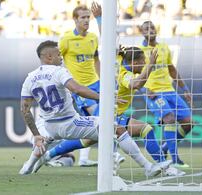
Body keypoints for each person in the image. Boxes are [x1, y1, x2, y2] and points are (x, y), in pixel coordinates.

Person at [18, 40, 170, 176]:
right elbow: (76, 89)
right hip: (70, 123)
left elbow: (24, 109)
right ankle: (147, 166)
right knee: (115, 129)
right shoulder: (59, 72)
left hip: (49, 125)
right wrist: (104, 97)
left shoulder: (29, 78)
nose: (61, 57)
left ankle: (27, 167)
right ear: (49, 57)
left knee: (43, 140)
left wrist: (36, 134)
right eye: (58, 54)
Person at [116, 46, 185, 176]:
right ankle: (163, 167)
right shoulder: (124, 74)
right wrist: (151, 64)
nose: (144, 65)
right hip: (110, 115)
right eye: (143, 62)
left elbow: (119, 54)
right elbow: (136, 84)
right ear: (135, 63)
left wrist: (117, 51)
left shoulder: (120, 59)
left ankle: (162, 166)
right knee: (145, 129)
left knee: (84, 140)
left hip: (114, 113)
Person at [139, 21, 193, 168]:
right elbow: (133, 73)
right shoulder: (140, 51)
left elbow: (172, 70)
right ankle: (175, 160)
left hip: (169, 90)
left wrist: (185, 89)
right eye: (146, 28)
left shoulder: (163, 47)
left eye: (152, 27)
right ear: (141, 32)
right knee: (169, 119)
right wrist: (144, 90)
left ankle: (164, 148)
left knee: (189, 122)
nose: (150, 30)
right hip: (153, 93)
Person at [54, 4, 101, 167]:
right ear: (75, 19)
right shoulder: (66, 39)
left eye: (88, 17)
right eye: (83, 17)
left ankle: (83, 158)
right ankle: (113, 154)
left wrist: (103, 81)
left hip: (96, 83)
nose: (86, 20)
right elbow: (54, 59)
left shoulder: (93, 37)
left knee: (92, 120)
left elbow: (96, 59)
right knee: (99, 118)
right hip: (80, 88)